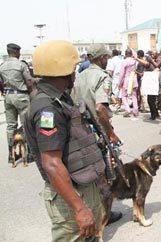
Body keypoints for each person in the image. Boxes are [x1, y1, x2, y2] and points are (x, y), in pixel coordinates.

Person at [25, 40, 105, 242]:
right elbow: (51, 163)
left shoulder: (61, 98)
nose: (75, 73)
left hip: (83, 187)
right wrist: (79, 208)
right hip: (71, 196)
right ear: (63, 69)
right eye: (73, 68)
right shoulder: (47, 108)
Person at [71, 43, 123, 225]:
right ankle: (102, 215)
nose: (107, 61)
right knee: (104, 174)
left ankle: (91, 209)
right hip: (97, 130)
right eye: (106, 58)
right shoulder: (102, 77)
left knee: (87, 174)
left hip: (79, 129)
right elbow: (101, 109)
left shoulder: (80, 76)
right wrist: (111, 134)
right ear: (101, 58)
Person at [0, 43, 33, 164]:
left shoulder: (2, 66)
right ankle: (29, 154)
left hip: (8, 96)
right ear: (16, 52)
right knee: (26, 124)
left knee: (10, 126)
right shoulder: (21, 65)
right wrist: (32, 95)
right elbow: (29, 83)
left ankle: (11, 154)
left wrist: (4, 92)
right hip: (21, 96)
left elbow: (0, 83)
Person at [119, 49, 139, 119]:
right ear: (131, 54)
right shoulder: (134, 60)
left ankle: (127, 109)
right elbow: (135, 54)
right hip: (133, 78)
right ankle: (135, 111)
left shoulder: (124, 62)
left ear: (125, 54)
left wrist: (119, 83)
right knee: (134, 96)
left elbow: (121, 74)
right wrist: (131, 49)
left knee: (124, 96)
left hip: (127, 80)